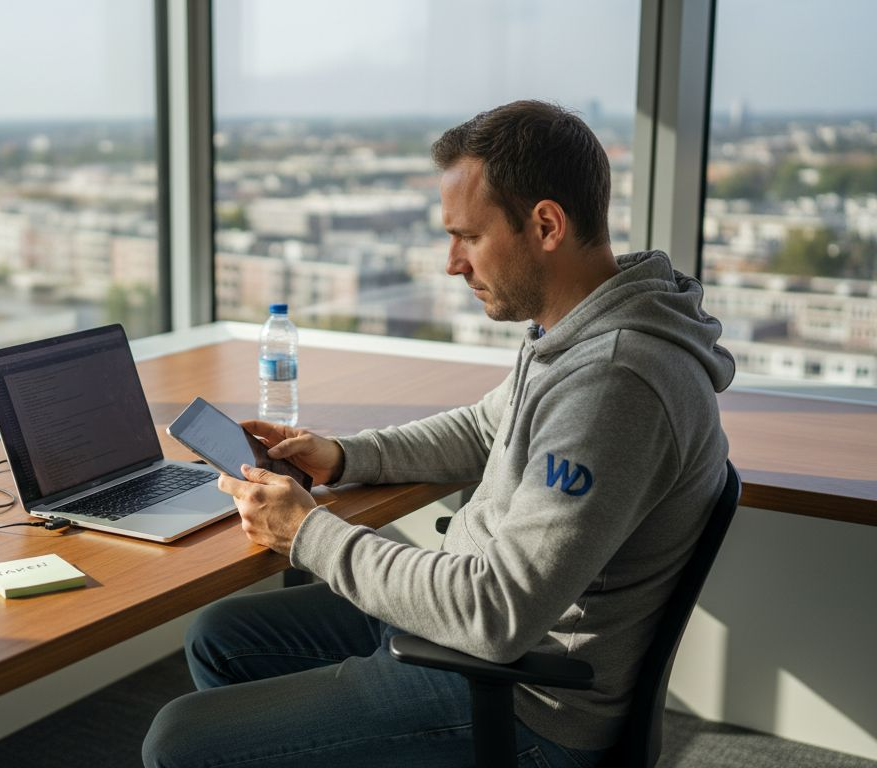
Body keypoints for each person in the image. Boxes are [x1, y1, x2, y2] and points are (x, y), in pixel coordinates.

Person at [142, 100, 734, 768]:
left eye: (469, 237)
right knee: (221, 636)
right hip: (468, 626)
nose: (453, 263)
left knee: (179, 741)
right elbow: (485, 427)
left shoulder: (615, 383)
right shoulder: (577, 327)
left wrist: (307, 533)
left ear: (546, 225)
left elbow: (495, 612)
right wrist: (344, 456)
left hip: (521, 698)